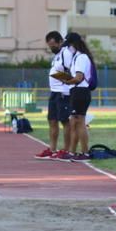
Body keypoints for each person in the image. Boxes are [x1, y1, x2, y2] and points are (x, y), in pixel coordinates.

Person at [53, 32, 95, 162]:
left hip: (80, 91)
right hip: (77, 91)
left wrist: (66, 81)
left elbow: (79, 77)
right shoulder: (77, 57)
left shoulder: (81, 57)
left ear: (74, 44)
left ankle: (85, 152)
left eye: (69, 46)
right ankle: (74, 151)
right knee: (75, 122)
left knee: (79, 122)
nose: (67, 49)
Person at [36, 31, 73, 159]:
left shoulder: (66, 53)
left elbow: (74, 74)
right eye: (49, 45)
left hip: (64, 92)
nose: (51, 48)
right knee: (52, 120)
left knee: (65, 121)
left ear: (60, 42)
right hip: (54, 92)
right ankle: (52, 150)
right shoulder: (57, 55)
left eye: (53, 45)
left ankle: (66, 150)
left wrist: (59, 76)